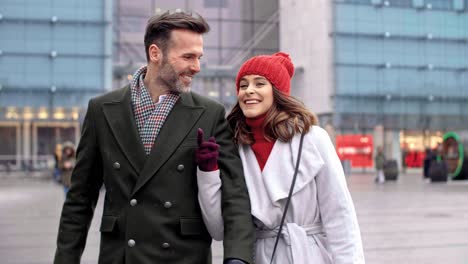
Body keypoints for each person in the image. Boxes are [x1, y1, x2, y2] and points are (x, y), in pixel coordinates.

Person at [54, 11, 254, 264]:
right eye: (188, 57)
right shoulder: (102, 109)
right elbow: (80, 199)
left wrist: (238, 257)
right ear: (155, 53)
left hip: (184, 256)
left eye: (199, 57)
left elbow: (234, 194)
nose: (197, 66)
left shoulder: (210, 113)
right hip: (122, 256)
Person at [196, 52, 365, 263]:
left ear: (278, 92)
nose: (249, 91)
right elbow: (219, 229)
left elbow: (340, 216)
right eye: (243, 85)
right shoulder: (234, 147)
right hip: (260, 257)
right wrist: (208, 171)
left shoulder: (312, 139)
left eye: (259, 84)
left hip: (309, 255)